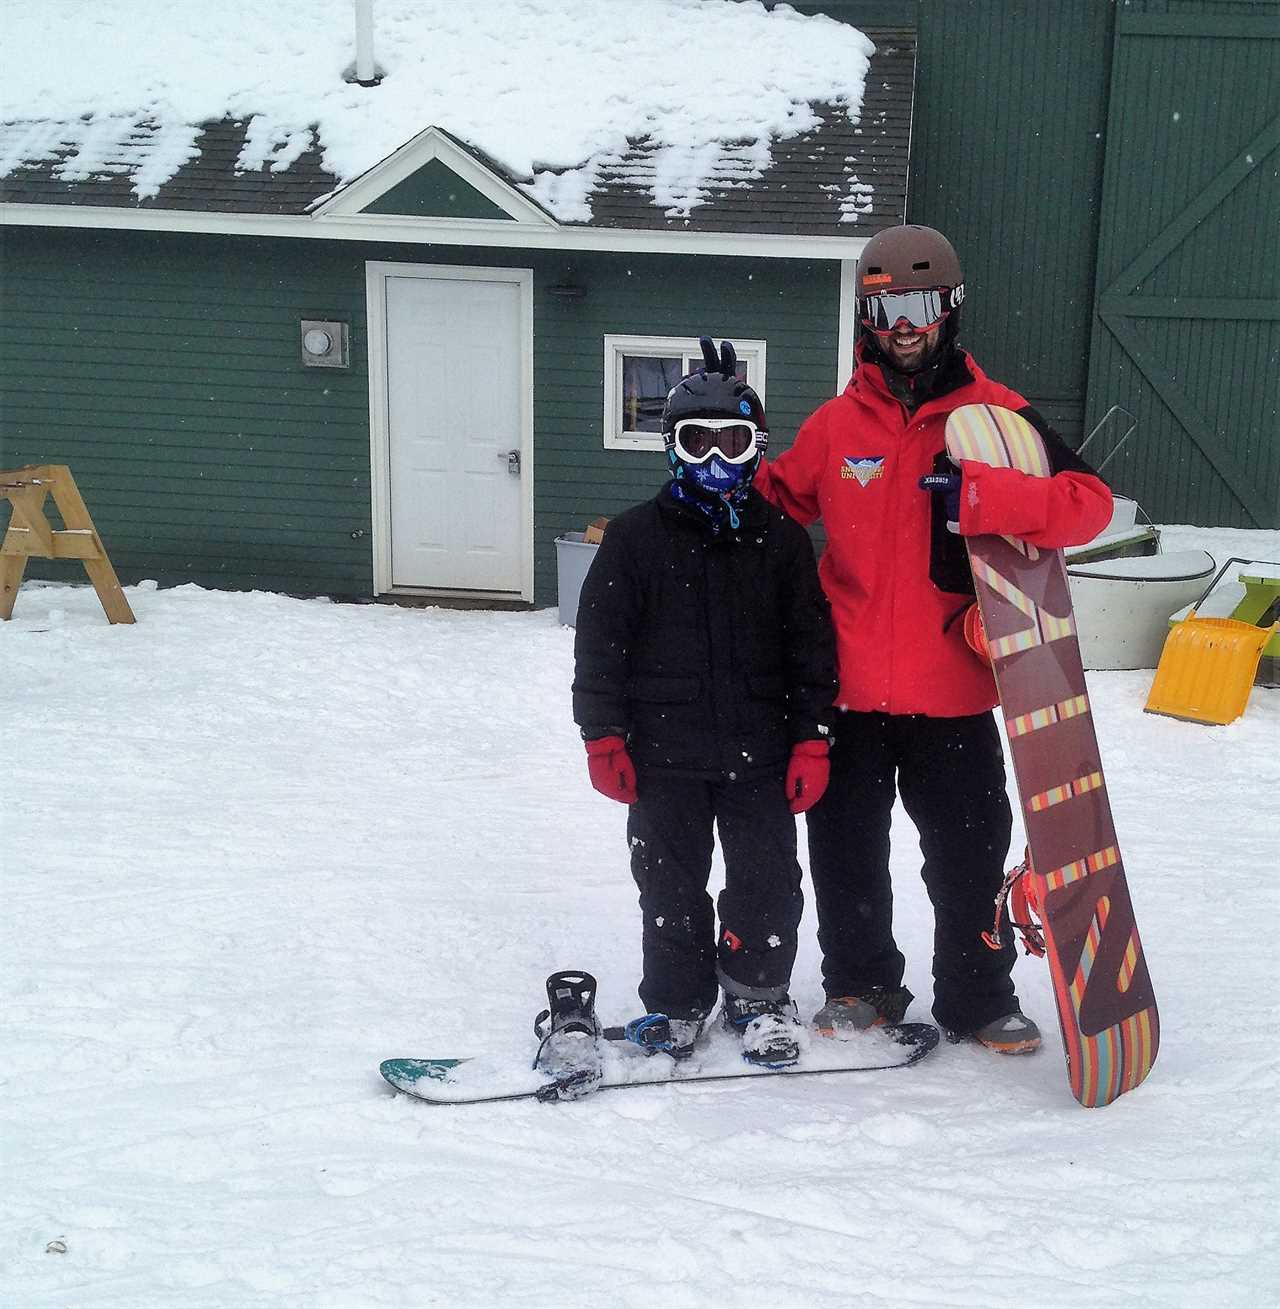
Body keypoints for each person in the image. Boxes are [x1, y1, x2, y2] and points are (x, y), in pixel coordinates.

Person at [754, 225, 1113, 1054]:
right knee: (846, 856)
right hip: (845, 695)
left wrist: (984, 496)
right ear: (866, 315)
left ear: (949, 307)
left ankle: (979, 998)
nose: (902, 325)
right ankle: (861, 985)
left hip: (955, 693)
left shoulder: (1000, 419)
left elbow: (1089, 503)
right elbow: (775, 501)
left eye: (918, 304)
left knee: (967, 860)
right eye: (884, 308)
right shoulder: (837, 427)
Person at [572, 338, 837, 1067]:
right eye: (697, 442)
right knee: (669, 880)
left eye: (733, 441)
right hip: (663, 758)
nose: (716, 458)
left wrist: (813, 736)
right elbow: (600, 649)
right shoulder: (633, 540)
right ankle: (678, 1001)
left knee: (766, 880)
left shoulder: (781, 541)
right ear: (672, 448)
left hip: (762, 754)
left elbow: (812, 649)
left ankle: (758, 997)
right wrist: (604, 735)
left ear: (756, 450)